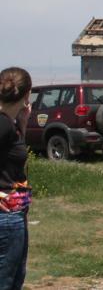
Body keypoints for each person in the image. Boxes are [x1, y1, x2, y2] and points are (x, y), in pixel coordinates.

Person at [0, 67, 33, 289]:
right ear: (27, 94)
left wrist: (22, 124)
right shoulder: (2, 124)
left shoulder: (9, 123)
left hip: (14, 213)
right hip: (6, 217)